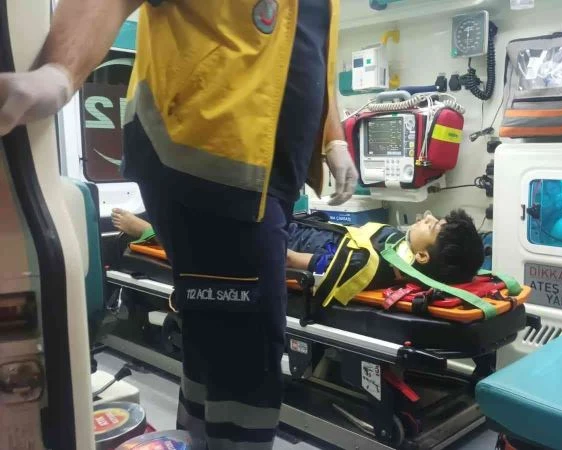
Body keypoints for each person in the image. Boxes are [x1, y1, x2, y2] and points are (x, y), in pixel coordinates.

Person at [0, 1, 357, 448]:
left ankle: (199, 439)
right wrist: (60, 73)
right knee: (248, 350)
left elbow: (310, 58)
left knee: (216, 334)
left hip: (270, 182)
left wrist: (334, 139)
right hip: (206, 166)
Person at [113, 208, 487, 291]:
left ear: (422, 257)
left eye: (432, 226)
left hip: (285, 241)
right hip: (303, 228)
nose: (426, 216)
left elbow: (291, 261)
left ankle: (149, 232)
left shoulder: (371, 266)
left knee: (214, 237)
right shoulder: (393, 245)